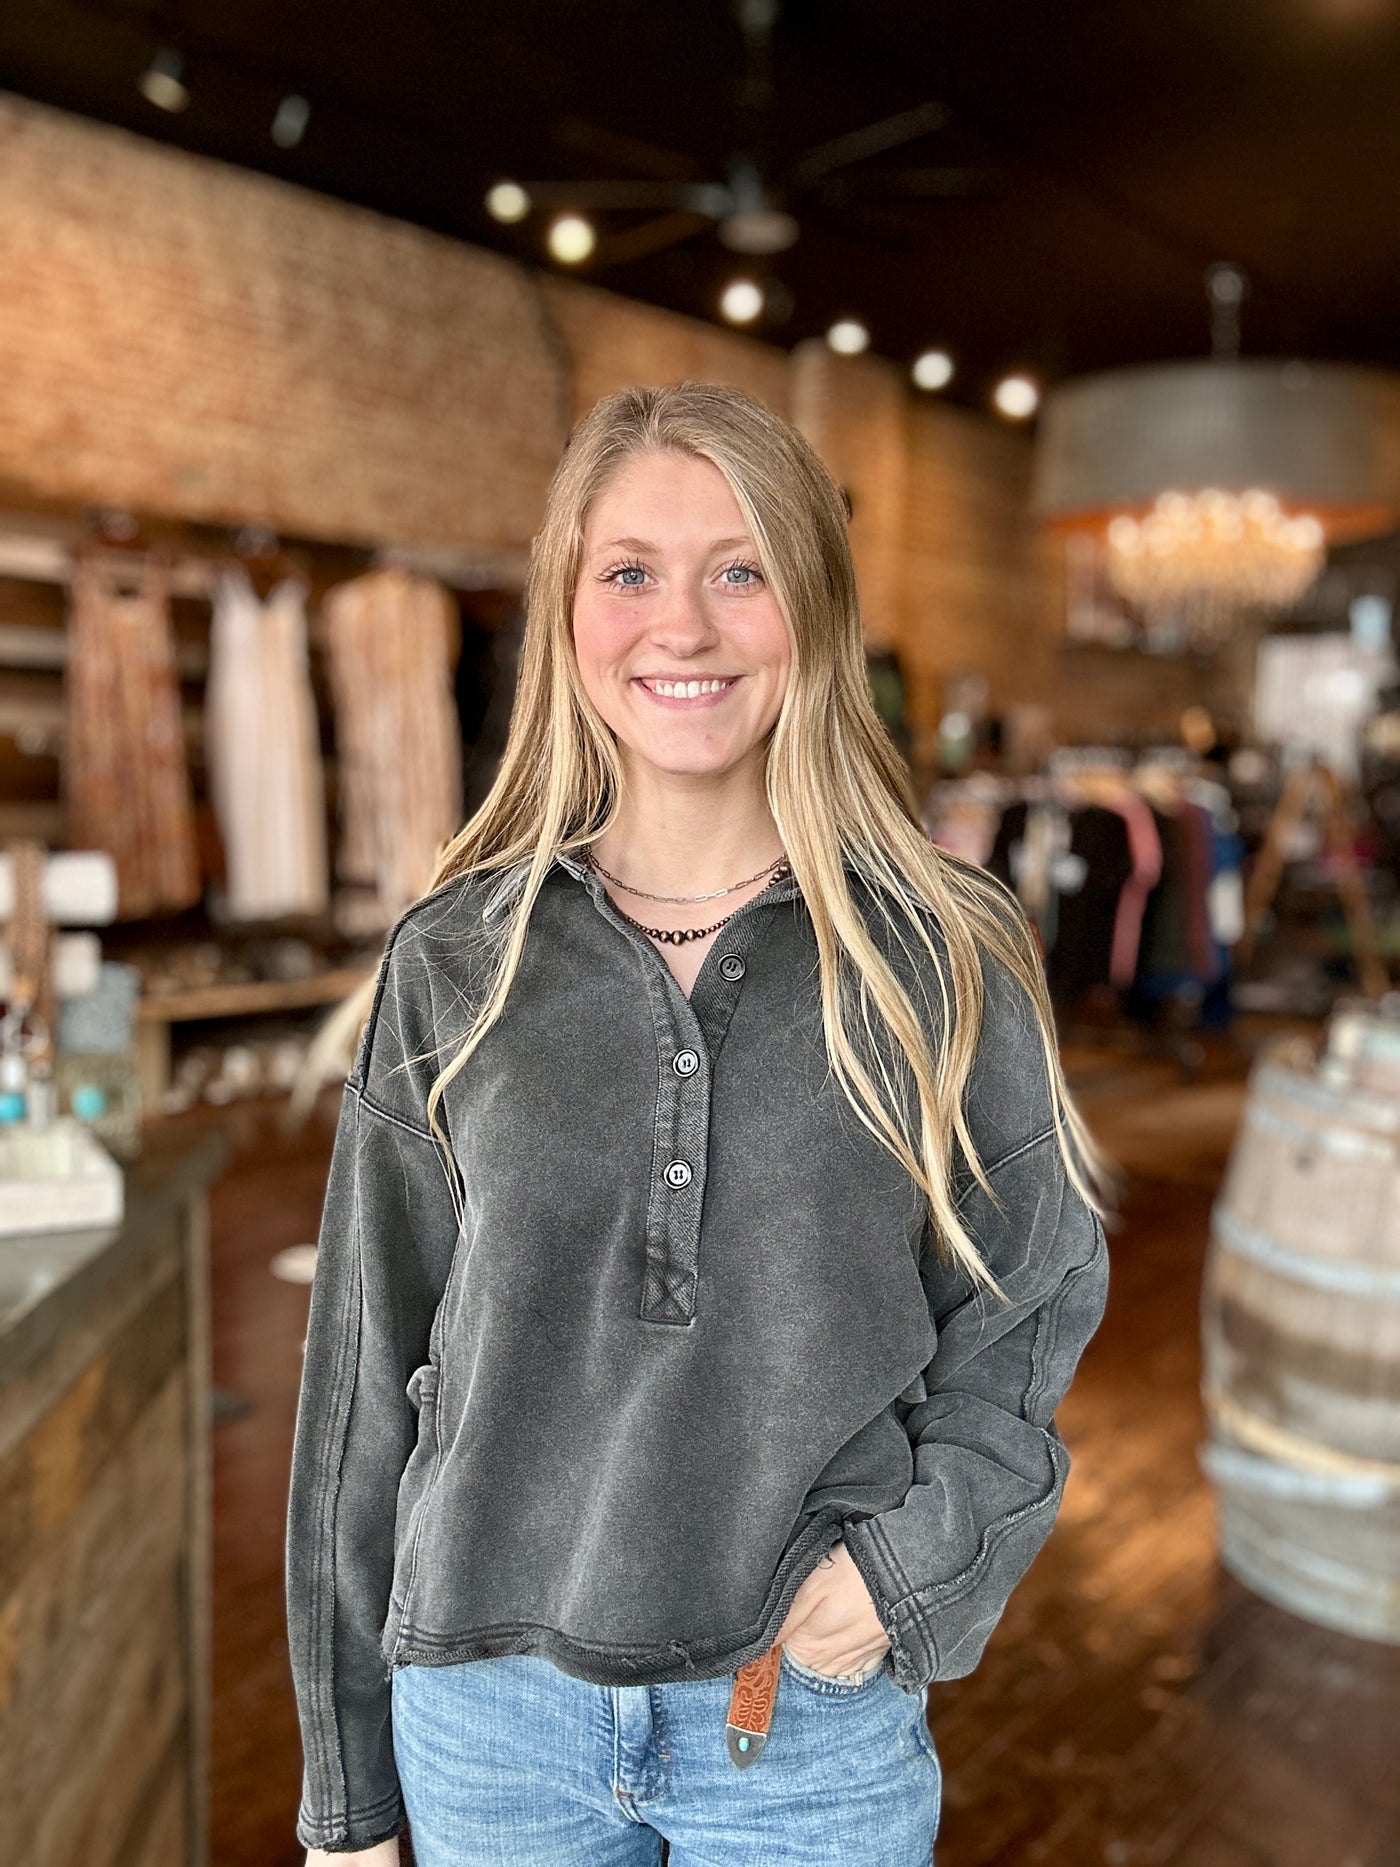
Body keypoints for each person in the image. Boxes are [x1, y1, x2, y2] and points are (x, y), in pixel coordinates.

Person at [286, 381, 1113, 1865]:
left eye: (740, 569)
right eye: (631, 572)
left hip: (798, 1716)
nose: (684, 624)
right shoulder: (458, 958)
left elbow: (1028, 1308)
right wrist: (346, 1793)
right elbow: (358, 1386)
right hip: (487, 1725)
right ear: (569, 612)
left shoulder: (943, 949)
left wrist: (908, 1573)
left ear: (813, 610)